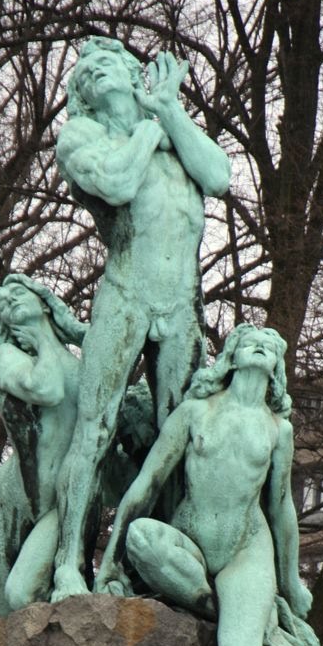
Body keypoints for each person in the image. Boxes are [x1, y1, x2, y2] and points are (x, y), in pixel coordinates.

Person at [95, 324, 323, 646]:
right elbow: (146, 484)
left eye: (271, 346)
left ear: (276, 367)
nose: (260, 345)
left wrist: (291, 580)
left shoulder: (279, 430)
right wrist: (109, 561)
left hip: (244, 549)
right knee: (142, 538)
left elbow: (280, 507)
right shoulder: (196, 413)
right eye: (248, 341)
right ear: (230, 357)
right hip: (191, 540)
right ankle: (218, 608)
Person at [52, 38, 231, 599]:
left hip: (180, 306)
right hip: (125, 295)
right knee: (95, 427)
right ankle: (66, 564)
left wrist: (170, 111)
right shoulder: (81, 136)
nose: (95, 71)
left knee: (178, 432)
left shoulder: (173, 135)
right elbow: (118, 183)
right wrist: (153, 124)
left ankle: (158, 565)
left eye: (108, 63)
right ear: (84, 94)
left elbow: (220, 175)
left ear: (134, 75)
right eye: (87, 70)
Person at [0, 274, 84, 614]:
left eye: (16, 293)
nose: (8, 301)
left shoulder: (82, 367)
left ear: (44, 302)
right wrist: (44, 343)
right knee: (3, 613)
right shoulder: (4, 357)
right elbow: (46, 390)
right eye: (1, 304)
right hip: (15, 499)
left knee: (21, 595)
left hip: (63, 501)